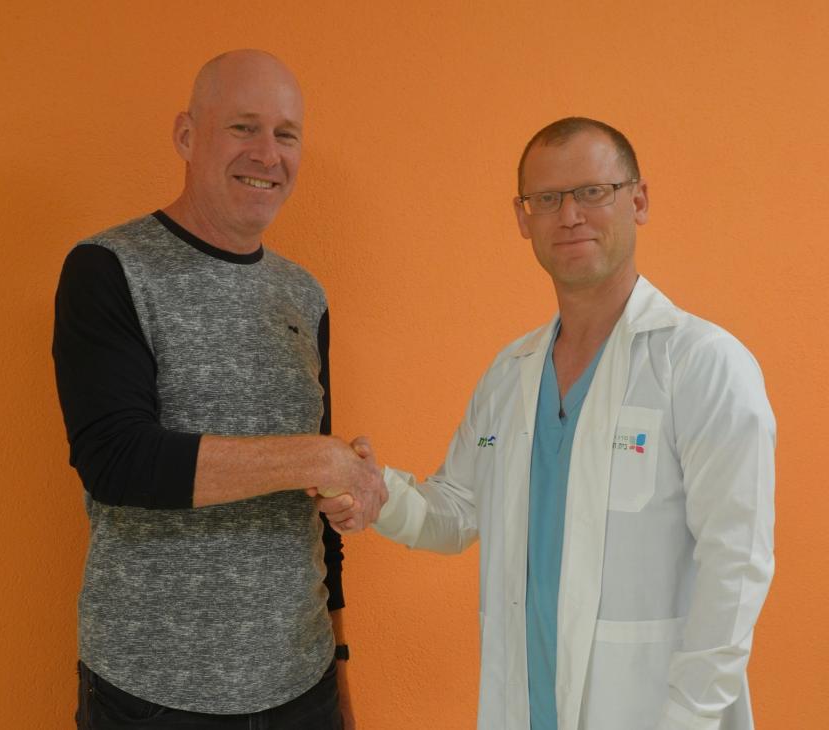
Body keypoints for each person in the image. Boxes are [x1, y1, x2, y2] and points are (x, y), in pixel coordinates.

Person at [320, 118, 775, 730]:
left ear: (637, 200)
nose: (570, 216)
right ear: (522, 217)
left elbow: (738, 564)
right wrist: (381, 494)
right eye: (548, 199)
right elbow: (457, 511)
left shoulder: (701, 364)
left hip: (656, 714)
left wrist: (690, 715)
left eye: (594, 191)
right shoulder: (510, 375)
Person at [53, 49, 385, 730]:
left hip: (303, 685)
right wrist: (314, 458)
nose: (268, 153)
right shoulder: (107, 269)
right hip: (151, 695)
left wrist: (340, 659)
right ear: (186, 135)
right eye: (243, 127)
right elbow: (115, 460)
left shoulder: (304, 295)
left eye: (286, 134)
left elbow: (315, 511)